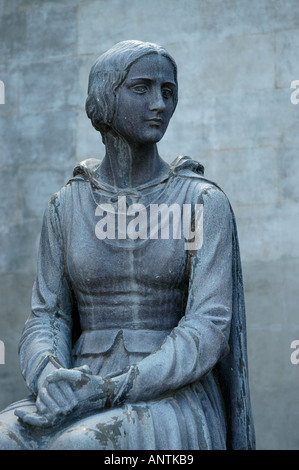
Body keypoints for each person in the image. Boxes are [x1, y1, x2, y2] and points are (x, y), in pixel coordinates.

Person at [0, 40, 255, 450]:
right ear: (104, 98)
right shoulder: (66, 206)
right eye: (142, 88)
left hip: (171, 392)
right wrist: (48, 376)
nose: (159, 104)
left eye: (167, 92)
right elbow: (48, 316)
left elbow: (207, 327)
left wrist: (114, 389)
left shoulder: (200, 202)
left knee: (78, 447)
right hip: (79, 382)